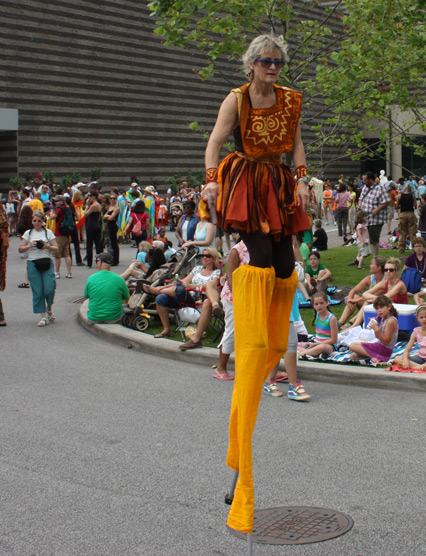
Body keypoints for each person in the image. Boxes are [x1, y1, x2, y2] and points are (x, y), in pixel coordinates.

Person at [202, 33, 310, 534]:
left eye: (277, 62)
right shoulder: (237, 99)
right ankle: (241, 299)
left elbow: (295, 141)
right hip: (247, 182)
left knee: (286, 270)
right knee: (261, 263)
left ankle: (268, 334)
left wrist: (304, 176)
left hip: (280, 182)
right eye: (265, 61)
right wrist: (210, 178)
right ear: (250, 65)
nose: (272, 67)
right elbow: (216, 142)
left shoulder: (289, 99)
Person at [144, 247, 221, 340]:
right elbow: (183, 281)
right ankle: (166, 329)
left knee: (180, 290)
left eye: (207, 256)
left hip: (200, 300)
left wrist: (191, 286)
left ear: (213, 258)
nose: (204, 258)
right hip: (186, 297)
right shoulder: (198, 269)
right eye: (202, 255)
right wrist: (164, 287)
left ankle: (155, 291)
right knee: (161, 298)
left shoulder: (216, 272)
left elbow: (211, 286)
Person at [212, 240, 249, 380]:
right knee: (232, 330)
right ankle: (221, 367)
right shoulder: (237, 250)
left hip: (251, 297)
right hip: (233, 298)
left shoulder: (259, 246)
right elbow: (230, 276)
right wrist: (237, 297)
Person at [263, 292, 311, 400]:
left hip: (285, 300)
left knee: (277, 345)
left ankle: (270, 381)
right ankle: (293, 385)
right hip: (278, 301)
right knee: (290, 344)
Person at [19, 210, 58, 327]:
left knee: (49, 288)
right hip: (33, 262)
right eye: (34, 220)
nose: (36, 223)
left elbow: (56, 248)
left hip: (46, 262)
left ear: (43, 222)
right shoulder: (28, 233)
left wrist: (46, 246)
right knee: (38, 291)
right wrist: (29, 245)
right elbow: (20, 249)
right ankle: (43, 317)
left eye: (39, 221)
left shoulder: (48, 233)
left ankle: (49, 308)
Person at [345, 257, 408, 330]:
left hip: (400, 310)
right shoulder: (385, 282)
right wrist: (373, 298)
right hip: (389, 308)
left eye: (391, 270)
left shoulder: (400, 284)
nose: (388, 272)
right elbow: (365, 294)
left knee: (369, 301)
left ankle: (354, 325)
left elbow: (385, 297)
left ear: (396, 272)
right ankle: (353, 324)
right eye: (385, 270)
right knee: (368, 301)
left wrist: (372, 298)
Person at [339, 256, 386, 329]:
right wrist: (350, 300)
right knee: (355, 297)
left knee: (367, 301)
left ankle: (352, 322)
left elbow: (373, 296)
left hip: (379, 307)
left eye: (372, 264)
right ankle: (341, 322)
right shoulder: (370, 278)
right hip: (368, 304)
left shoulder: (385, 281)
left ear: (379, 267)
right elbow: (353, 290)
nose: (370, 265)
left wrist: (355, 300)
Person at [349, 295, 398, 362]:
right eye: (377, 309)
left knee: (352, 346)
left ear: (389, 307)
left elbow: (386, 342)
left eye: (381, 307)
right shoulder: (384, 319)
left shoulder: (390, 321)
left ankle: (375, 357)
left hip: (385, 350)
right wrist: (375, 326)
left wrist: (376, 328)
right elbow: (378, 337)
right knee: (353, 356)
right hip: (380, 346)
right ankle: (375, 356)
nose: (379, 311)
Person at [84, 252, 130, 323]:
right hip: (113, 318)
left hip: (94, 317)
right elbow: (128, 300)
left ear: (99, 262)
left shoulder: (90, 278)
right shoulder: (119, 279)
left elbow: (87, 295)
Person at [358, 171, 390, 256]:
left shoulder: (380, 188)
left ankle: (375, 258)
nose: (363, 182)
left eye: (365, 180)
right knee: (362, 237)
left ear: (371, 180)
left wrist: (377, 209)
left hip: (376, 219)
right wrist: (360, 206)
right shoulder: (365, 187)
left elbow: (386, 201)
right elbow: (361, 198)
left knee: (374, 239)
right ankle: (359, 258)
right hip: (365, 218)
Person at [298, 292, 338, 358]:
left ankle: (302, 353)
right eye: (316, 304)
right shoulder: (317, 315)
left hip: (328, 345)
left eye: (321, 303)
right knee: (293, 345)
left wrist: (317, 344)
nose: (319, 306)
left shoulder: (331, 318)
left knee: (321, 347)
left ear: (327, 303)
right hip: (316, 342)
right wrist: (315, 344)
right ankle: (312, 352)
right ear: (313, 305)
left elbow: (333, 340)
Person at [48, 196, 73, 279]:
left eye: (57, 201)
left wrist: (52, 210)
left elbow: (52, 217)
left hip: (59, 233)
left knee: (57, 255)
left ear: (61, 201)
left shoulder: (60, 209)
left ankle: (57, 272)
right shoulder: (67, 208)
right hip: (66, 232)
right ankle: (69, 272)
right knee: (66, 253)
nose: (55, 203)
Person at [396, 185, 417, 253]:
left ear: (404, 190)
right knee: (412, 233)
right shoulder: (412, 196)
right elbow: (415, 206)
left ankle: (401, 249)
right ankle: (415, 249)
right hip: (411, 213)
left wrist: (399, 213)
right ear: (410, 190)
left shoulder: (400, 196)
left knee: (402, 232)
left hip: (403, 214)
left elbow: (397, 206)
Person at [84, 191, 103, 268]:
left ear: (94, 197)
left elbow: (85, 214)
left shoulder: (93, 206)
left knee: (90, 244)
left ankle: (89, 263)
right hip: (97, 225)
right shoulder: (99, 205)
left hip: (91, 226)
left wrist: (87, 205)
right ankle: (100, 261)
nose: (89, 198)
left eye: (90, 196)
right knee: (98, 244)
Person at [104, 192, 120, 266]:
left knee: (114, 243)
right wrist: (107, 216)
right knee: (109, 242)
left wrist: (107, 216)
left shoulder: (116, 208)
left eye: (114, 198)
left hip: (113, 226)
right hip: (108, 226)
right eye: (111, 198)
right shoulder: (109, 207)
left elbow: (111, 217)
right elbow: (104, 216)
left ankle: (115, 260)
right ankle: (111, 258)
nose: (112, 200)